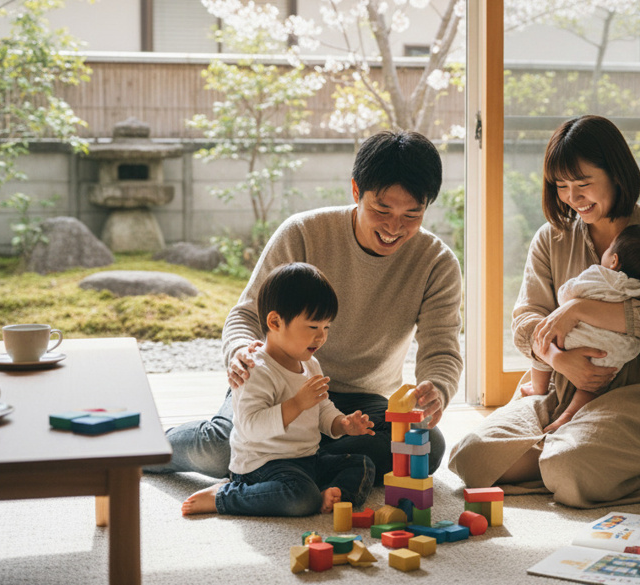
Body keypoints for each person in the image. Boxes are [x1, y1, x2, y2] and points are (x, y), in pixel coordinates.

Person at [150, 130, 463, 479]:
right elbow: (248, 315)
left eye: (412, 214)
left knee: (425, 445)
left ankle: (289, 463)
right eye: (382, 209)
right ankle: (147, 448)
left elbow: (442, 350)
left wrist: (437, 388)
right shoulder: (302, 233)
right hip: (281, 383)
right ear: (356, 191)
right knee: (221, 450)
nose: (394, 226)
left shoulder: (437, 262)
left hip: (364, 400)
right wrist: (240, 351)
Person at [449, 115, 640, 508]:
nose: (572, 197)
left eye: (583, 184)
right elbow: (525, 322)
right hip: (561, 387)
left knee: (569, 466)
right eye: (561, 186)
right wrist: (559, 359)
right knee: (471, 457)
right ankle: (610, 461)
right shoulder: (551, 238)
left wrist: (579, 309)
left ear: (616, 173)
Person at [182, 263, 375, 517]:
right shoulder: (255, 369)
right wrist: (297, 404)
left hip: (307, 458)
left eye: (326, 327)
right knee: (300, 497)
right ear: (275, 322)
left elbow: (323, 408)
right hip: (262, 465)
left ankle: (332, 496)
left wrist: (342, 424)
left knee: (362, 464)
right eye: (313, 327)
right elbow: (251, 426)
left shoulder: (311, 363)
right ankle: (224, 496)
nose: (321, 337)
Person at [520, 223, 640, 433]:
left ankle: (538, 388)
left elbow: (567, 293)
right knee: (592, 385)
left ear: (614, 260)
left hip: (578, 339)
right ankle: (568, 416)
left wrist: (570, 306)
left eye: (609, 249)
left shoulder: (599, 275)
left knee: (544, 336)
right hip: (613, 350)